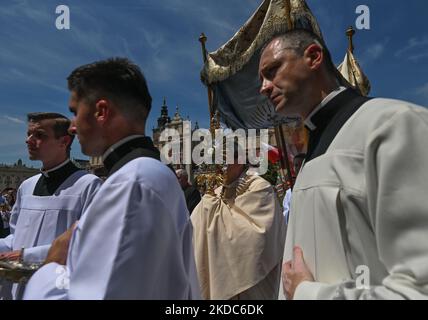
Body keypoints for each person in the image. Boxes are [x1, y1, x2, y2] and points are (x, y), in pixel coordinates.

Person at [259, 28, 428, 299]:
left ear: (313, 57)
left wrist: (308, 293)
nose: (264, 87)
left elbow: (419, 289)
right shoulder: (310, 157)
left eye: (272, 70)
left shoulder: (393, 124)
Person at [24, 58, 200, 300]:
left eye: (75, 113)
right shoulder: (150, 173)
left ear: (101, 112)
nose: (72, 127)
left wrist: (50, 265)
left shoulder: (133, 183)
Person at [0, 112, 101, 299]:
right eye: (29, 134)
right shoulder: (26, 186)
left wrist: (25, 256)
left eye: (39, 135)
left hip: (57, 289)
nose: (28, 141)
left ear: (64, 142)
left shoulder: (88, 185)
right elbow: (16, 237)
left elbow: (88, 245)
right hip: (15, 288)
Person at [191, 149, 286, 299]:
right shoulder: (213, 194)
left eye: (225, 159)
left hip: (254, 283)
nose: (221, 165)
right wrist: (207, 207)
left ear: (240, 160)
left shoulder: (259, 187)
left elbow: (258, 236)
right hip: (219, 273)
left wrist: (214, 213)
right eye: (218, 160)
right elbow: (193, 231)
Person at [282, 153, 305, 224]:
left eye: (301, 164)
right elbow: (285, 217)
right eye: (296, 165)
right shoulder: (289, 193)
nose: (298, 168)